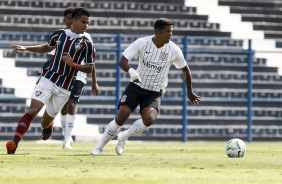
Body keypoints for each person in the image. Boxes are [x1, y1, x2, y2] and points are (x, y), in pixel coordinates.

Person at [90, 18, 201, 156]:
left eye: (171, 31)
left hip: (154, 92)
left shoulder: (174, 50)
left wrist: (189, 92)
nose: (170, 34)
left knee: (149, 119)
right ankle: (99, 148)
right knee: (121, 118)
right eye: (167, 31)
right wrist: (132, 72)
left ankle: (124, 136)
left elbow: (186, 70)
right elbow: (122, 60)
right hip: (136, 87)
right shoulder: (142, 43)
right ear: (157, 31)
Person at [6, 7, 97, 154]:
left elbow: (90, 68)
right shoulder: (58, 34)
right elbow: (47, 47)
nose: (86, 26)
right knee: (33, 110)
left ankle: (48, 126)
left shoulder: (87, 42)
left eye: (88, 23)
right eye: (83, 22)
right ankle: (14, 143)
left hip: (65, 86)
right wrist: (26, 48)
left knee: (45, 122)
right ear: (74, 21)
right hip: (48, 78)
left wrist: (73, 64)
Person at [41, 7, 99, 149]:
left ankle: (67, 140)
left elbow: (91, 62)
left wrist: (94, 82)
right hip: (61, 76)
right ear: (66, 20)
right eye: (67, 18)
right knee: (60, 109)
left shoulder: (86, 38)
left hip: (79, 74)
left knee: (71, 104)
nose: (68, 21)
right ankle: (57, 128)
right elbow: (52, 57)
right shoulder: (59, 37)